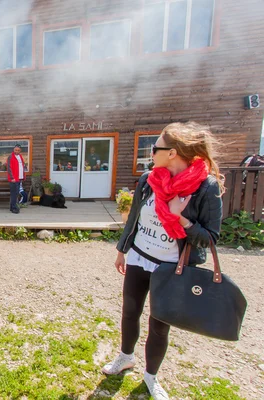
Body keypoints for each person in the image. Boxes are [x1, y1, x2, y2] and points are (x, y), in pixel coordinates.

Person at [103, 122, 225, 400]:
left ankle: (151, 377)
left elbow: (210, 238)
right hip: (139, 258)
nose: (151, 151)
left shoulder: (206, 188)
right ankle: (125, 357)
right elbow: (134, 218)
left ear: (173, 153)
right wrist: (122, 250)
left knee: (159, 325)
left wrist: (179, 216)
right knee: (129, 312)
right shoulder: (149, 179)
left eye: (156, 147)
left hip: (172, 269)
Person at [7, 144, 26, 214]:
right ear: (13, 150)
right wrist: (12, 178)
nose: (17, 151)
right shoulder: (10, 157)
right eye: (16, 150)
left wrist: (23, 176)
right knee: (14, 194)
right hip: (13, 179)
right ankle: (14, 208)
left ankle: (12, 207)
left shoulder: (20, 156)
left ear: (20, 150)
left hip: (19, 178)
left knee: (16, 193)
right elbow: (9, 168)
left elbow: (22, 167)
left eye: (18, 150)